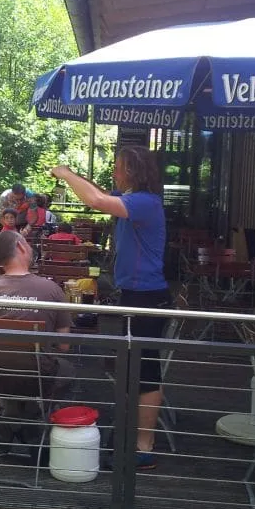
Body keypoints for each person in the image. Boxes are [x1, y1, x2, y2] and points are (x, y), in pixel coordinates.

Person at [51, 146, 168, 470]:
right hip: (135, 294)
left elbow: (97, 201)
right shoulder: (130, 196)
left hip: (147, 297)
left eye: (118, 167)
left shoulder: (145, 201)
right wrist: (75, 176)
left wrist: (66, 174)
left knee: (145, 371)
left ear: (133, 170)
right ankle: (134, 434)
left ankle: (144, 445)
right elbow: (102, 193)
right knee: (133, 366)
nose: (114, 172)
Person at [0, 230, 74, 401]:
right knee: (68, 370)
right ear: (20, 247)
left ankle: (10, 409)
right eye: (26, 242)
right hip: (38, 379)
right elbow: (64, 346)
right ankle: (42, 413)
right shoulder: (51, 289)